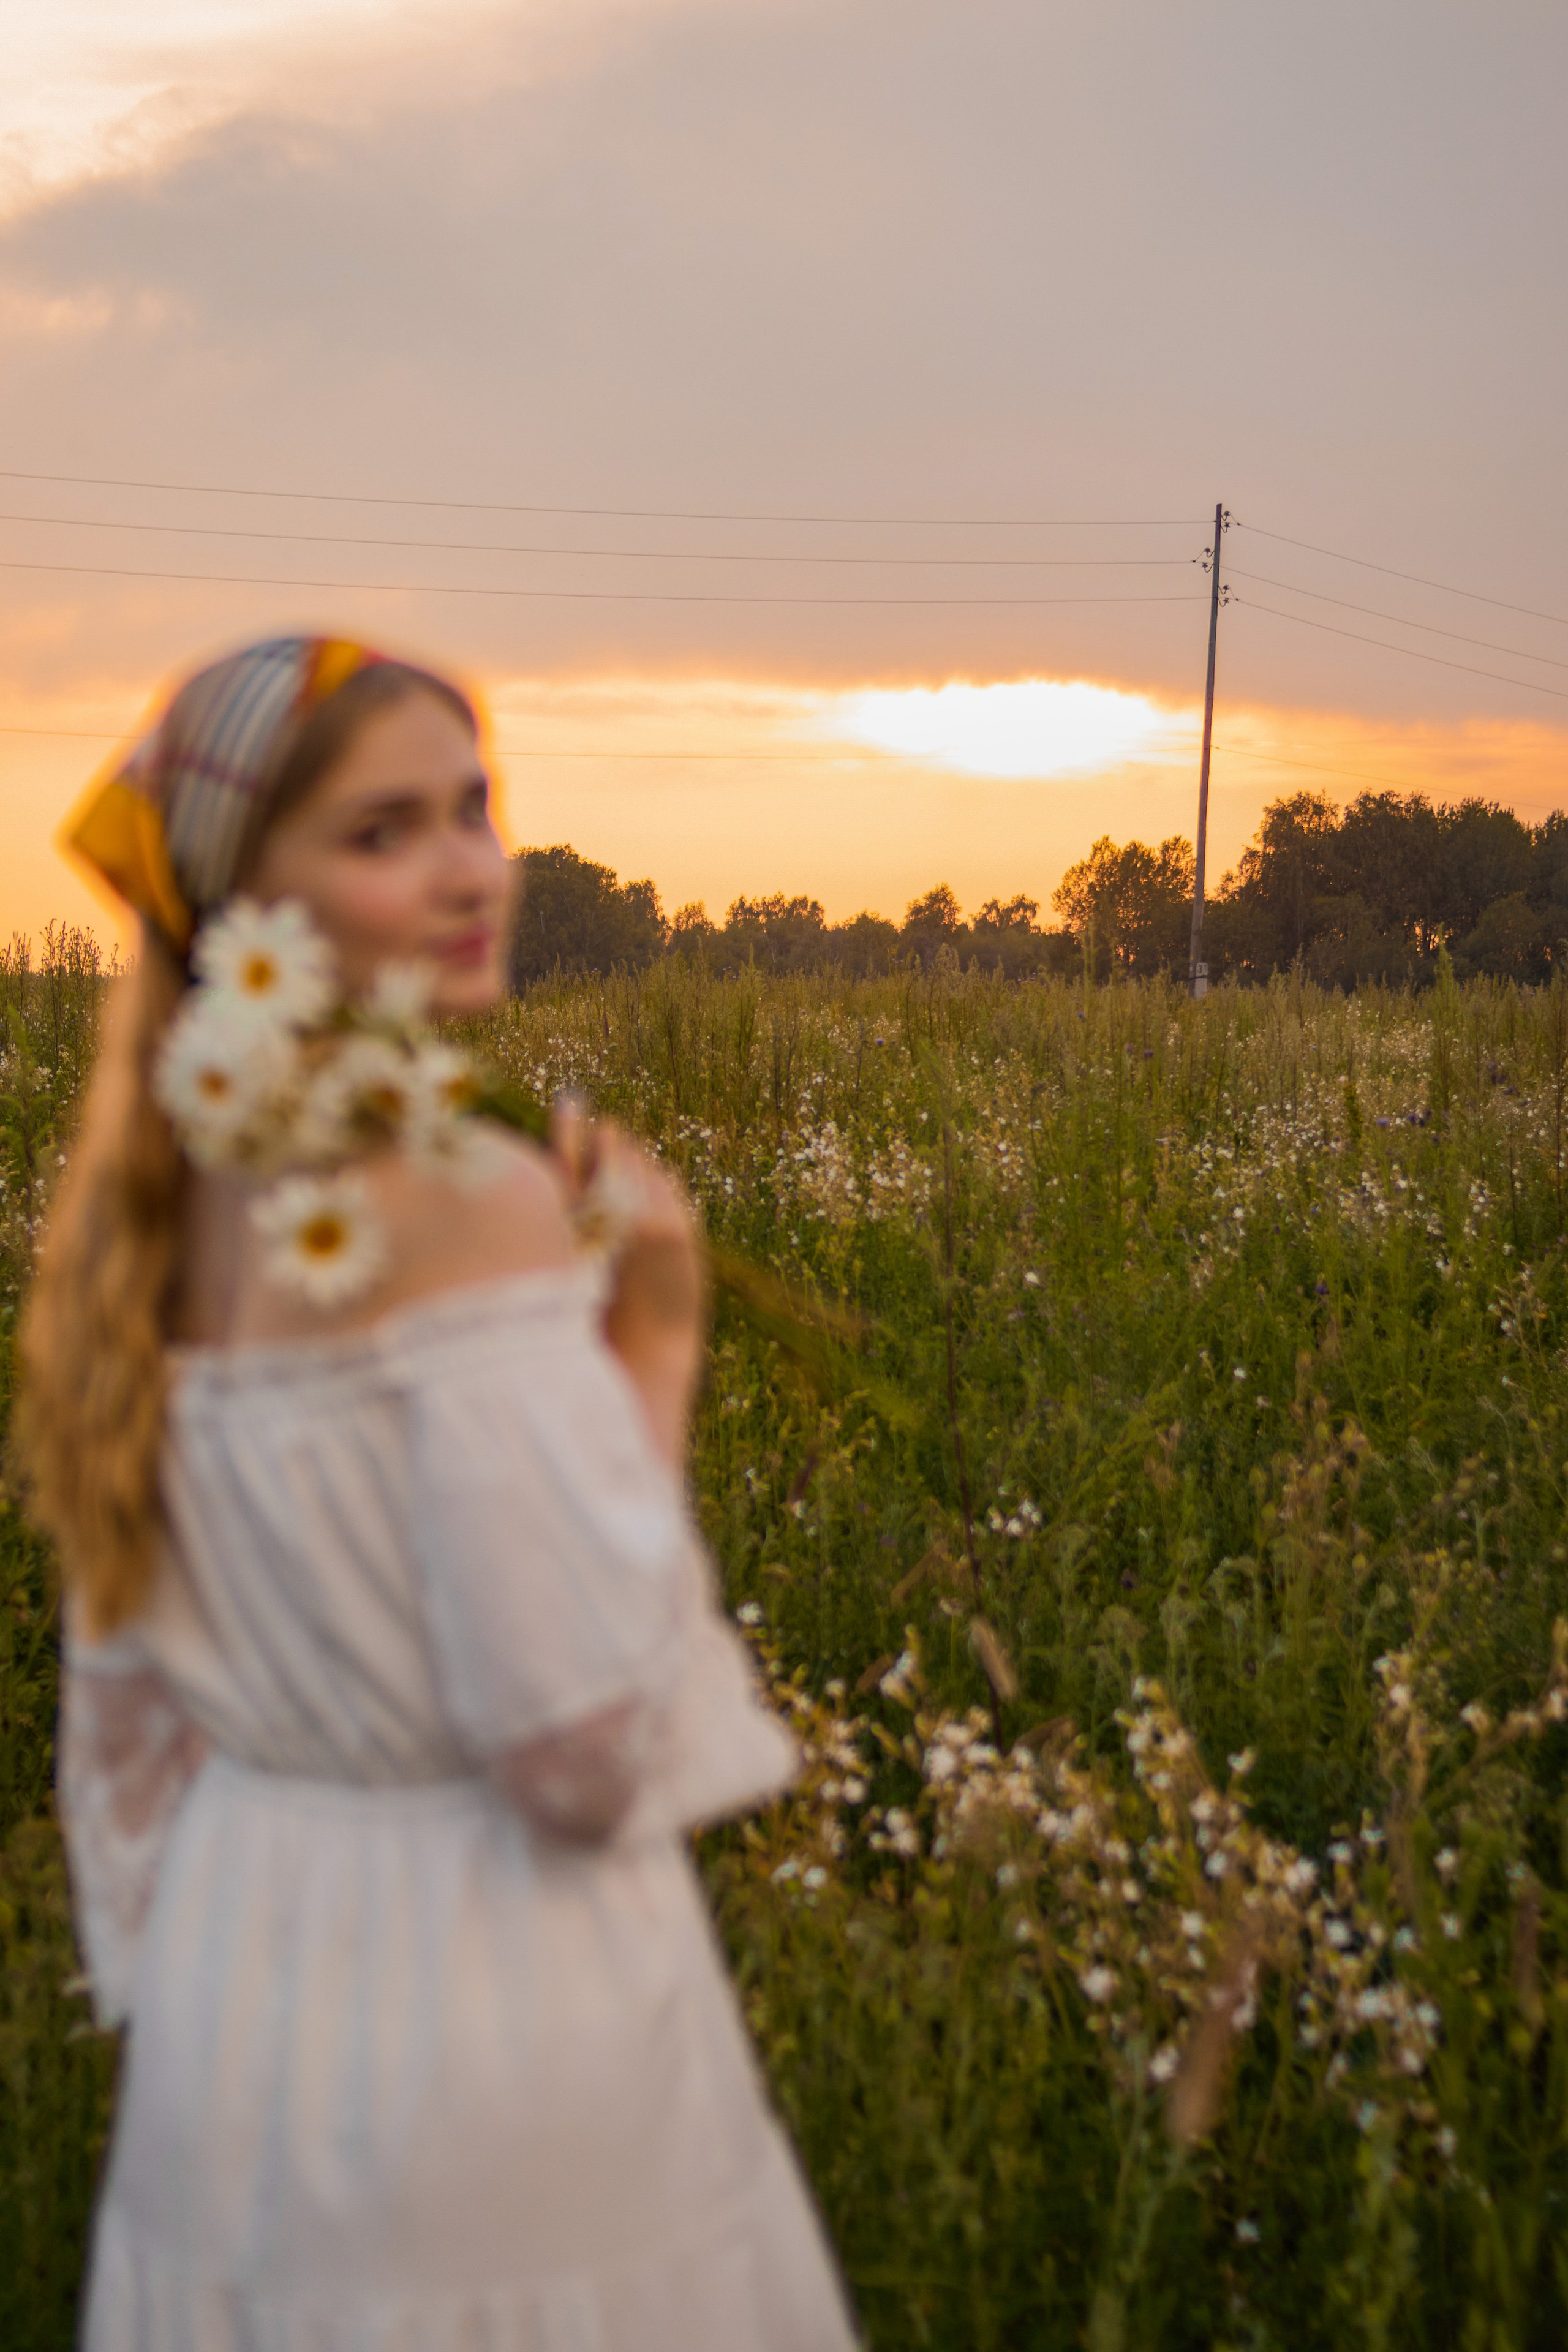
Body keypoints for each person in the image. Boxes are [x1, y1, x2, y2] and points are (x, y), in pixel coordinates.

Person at [16, 635, 858, 2350]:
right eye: (383, 832)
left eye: (476, 809)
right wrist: (661, 1339)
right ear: (242, 903)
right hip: (485, 2006)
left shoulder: (145, 1220)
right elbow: (574, 1748)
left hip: (234, 2017)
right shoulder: (468, 1198)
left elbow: (118, 1738)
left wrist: (202, 1978)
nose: (471, 870)